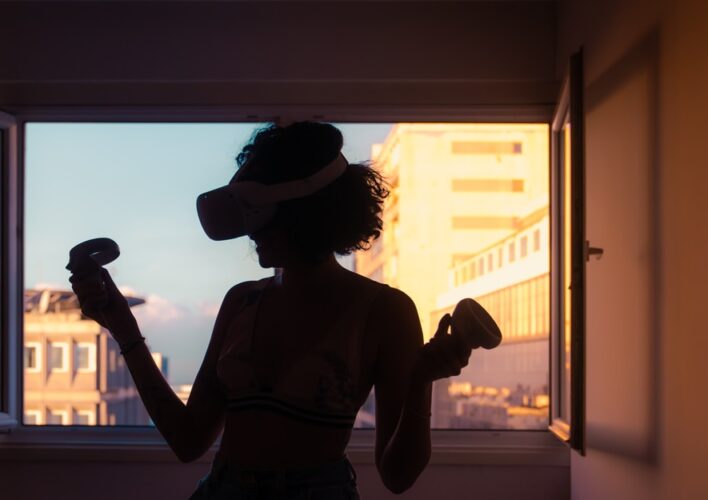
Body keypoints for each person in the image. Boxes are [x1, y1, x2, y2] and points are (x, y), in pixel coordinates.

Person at [69, 122, 475, 499]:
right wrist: (123, 329)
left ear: (303, 214)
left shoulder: (386, 312)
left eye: (258, 215)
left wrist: (421, 383)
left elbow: (398, 476)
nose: (250, 232)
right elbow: (188, 440)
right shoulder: (241, 300)